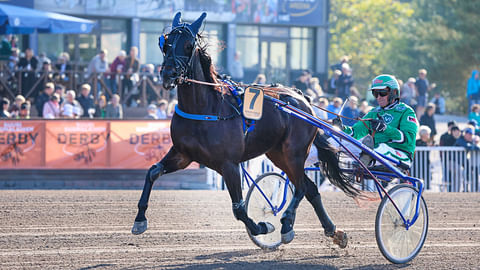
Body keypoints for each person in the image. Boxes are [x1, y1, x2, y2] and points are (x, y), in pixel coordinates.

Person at [338, 74, 418, 168]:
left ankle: (367, 160)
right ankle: (321, 158)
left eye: (382, 93)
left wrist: (385, 128)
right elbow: (355, 132)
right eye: (375, 93)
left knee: (380, 147)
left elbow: (408, 139)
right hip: (374, 150)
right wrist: (340, 128)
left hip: (400, 155)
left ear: (394, 92)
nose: (378, 97)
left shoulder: (406, 111)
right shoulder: (374, 112)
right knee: (340, 141)